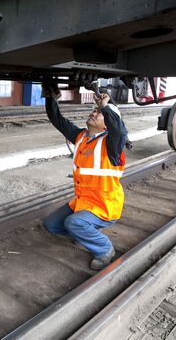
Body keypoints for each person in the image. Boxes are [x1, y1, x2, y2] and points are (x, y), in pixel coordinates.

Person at [41, 83, 127, 270]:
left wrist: (106, 106)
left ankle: (104, 249)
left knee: (73, 222)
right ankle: (84, 232)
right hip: (84, 203)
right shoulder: (81, 137)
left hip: (105, 206)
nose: (94, 114)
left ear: (108, 124)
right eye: (94, 111)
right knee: (51, 224)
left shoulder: (113, 145)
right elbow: (58, 121)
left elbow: (119, 130)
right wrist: (51, 98)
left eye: (100, 114)